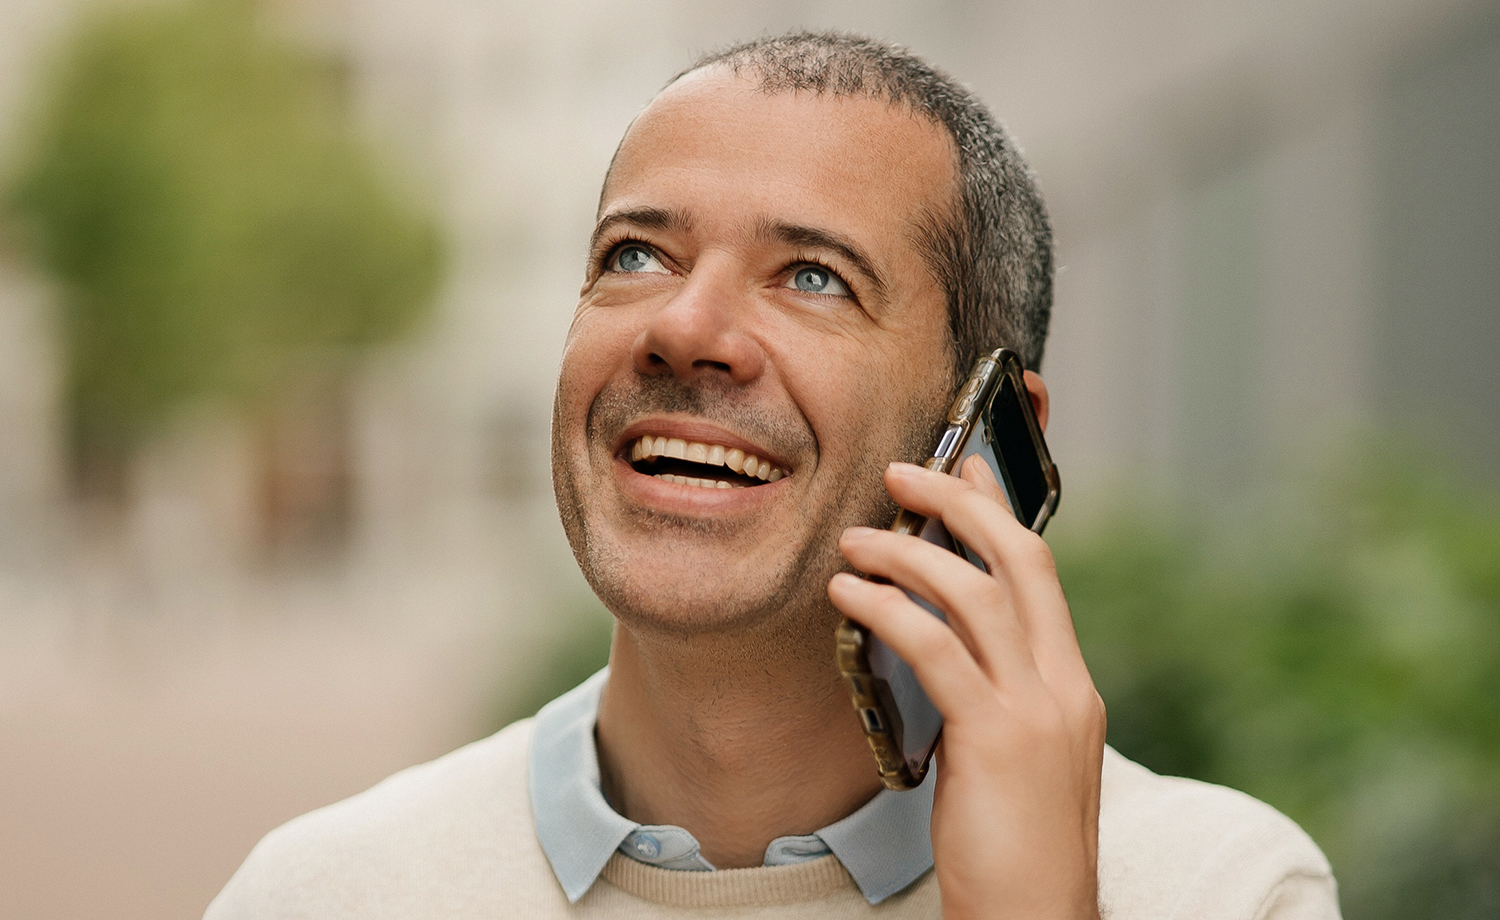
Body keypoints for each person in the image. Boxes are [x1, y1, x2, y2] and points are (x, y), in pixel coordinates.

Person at [205, 32, 1341, 919]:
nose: (684, 325)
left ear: (990, 427)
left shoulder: (1222, 887)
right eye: (634, 255)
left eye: (811, 276)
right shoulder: (317, 892)